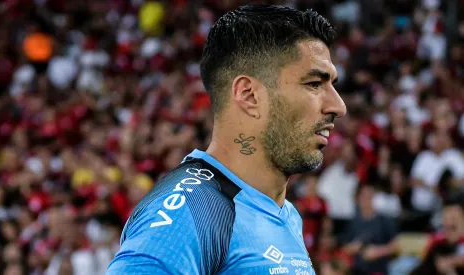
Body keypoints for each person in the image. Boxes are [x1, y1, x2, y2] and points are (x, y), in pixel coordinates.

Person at [106, 4, 346, 275]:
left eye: (332, 85)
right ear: (249, 95)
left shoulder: (283, 211)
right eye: (314, 84)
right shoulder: (188, 215)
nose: (338, 106)